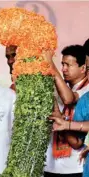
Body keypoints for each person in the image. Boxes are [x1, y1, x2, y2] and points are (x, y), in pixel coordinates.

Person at [44, 45, 88, 177]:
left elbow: (68, 99)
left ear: (83, 68)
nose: (63, 69)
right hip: (51, 165)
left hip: (75, 166)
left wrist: (50, 64)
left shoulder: (87, 90)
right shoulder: (59, 86)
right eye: (62, 64)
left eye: (68, 65)